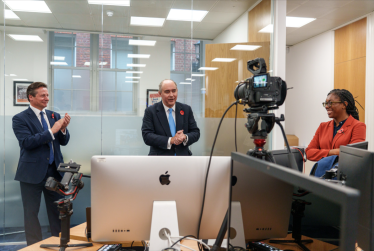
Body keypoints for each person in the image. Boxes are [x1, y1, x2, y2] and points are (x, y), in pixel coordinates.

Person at [12, 82, 71, 245]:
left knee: (58, 211)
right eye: (42, 95)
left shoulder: (54, 116)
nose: (47, 98)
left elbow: (63, 141)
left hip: (55, 172)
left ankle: (60, 244)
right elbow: (27, 142)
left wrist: (64, 129)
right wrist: (52, 131)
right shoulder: (20, 118)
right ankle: (33, 246)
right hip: (31, 173)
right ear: (31, 97)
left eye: (47, 95)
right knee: (31, 214)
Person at [142, 79, 200, 155]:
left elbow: (195, 132)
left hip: (183, 158)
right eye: (167, 92)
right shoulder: (150, 111)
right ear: (160, 93)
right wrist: (171, 140)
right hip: (159, 159)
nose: (171, 95)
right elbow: (147, 136)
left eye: (174, 91)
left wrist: (185, 137)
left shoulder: (186, 109)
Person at [306, 89, 366, 161]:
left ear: (344, 105)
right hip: (322, 171)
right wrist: (334, 152)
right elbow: (309, 152)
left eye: (330, 103)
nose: (326, 107)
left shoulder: (358, 126)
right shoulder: (323, 126)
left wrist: (322, 153)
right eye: (325, 103)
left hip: (343, 171)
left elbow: (353, 154)